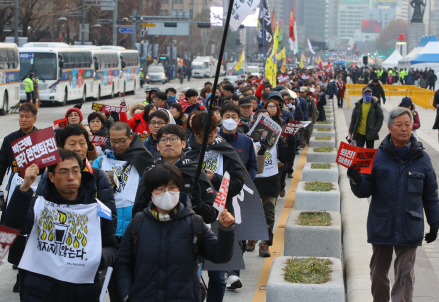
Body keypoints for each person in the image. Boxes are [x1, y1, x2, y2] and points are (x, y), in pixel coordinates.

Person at [347, 107, 439, 302]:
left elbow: (431, 194)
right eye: (399, 125)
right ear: (389, 128)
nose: (404, 129)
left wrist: (435, 222)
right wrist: (355, 179)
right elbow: (364, 191)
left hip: (410, 224)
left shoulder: (423, 159)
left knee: (405, 274)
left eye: (408, 124)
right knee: (378, 273)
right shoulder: (375, 157)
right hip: (382, 223)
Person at [3, 150, 118, 302]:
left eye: (75, 171)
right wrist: (24, 189)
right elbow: (10, 228)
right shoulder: (37, 206)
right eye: (63, 172)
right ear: (51, 176)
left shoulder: (97, 210)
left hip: (82, 291)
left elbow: (112, 248)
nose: (71, 177)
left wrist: (98, 257)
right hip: (40, 290)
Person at [115, 164, 235, 302]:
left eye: (172, 188)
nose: (167, 193)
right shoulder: (138, 223)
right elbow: (123, 263)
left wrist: (226, 230)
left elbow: (220, 256)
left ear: (179, 189)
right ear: (151, 193)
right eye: (160, 189)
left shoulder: (194, 222)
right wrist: (127, 294)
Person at [186, 112, 246, 302]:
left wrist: (215, 178)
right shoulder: (186, 151)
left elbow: (237, 184)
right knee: (191, 274)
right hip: (192, 217)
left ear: (216, 131)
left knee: (218, 277)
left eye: (209, 136)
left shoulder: (227, 151)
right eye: (198, 136)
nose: (203, 141)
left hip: (219, 216)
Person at [133, 125, 218, 223]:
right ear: (157, 145)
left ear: (183, 143)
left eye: (173, 139)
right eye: (163, 140)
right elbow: (137, 211)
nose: (168, 144)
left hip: (188, 233)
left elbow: (212, 215)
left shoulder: (195, 171)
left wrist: (198, 204)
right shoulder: (150, 172)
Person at [0, 102, 39, 294]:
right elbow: (2, 166)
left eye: (27, 117)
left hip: (38, 185)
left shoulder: (42, 139)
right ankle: (19, 270)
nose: (23, 119)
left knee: (34, 227)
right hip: (17, 185)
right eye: (21, 116)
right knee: (14, 227)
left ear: (34, 119)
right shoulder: (9, 140)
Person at [251, 110, 294, 257]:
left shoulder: (277, 140)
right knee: (253, 214)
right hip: (254, 182)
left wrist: (292, 141)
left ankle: (265, 244)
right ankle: (252, 237)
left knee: (269, 215)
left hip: (270, 182)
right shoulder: (248, 139)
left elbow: (286, 157)